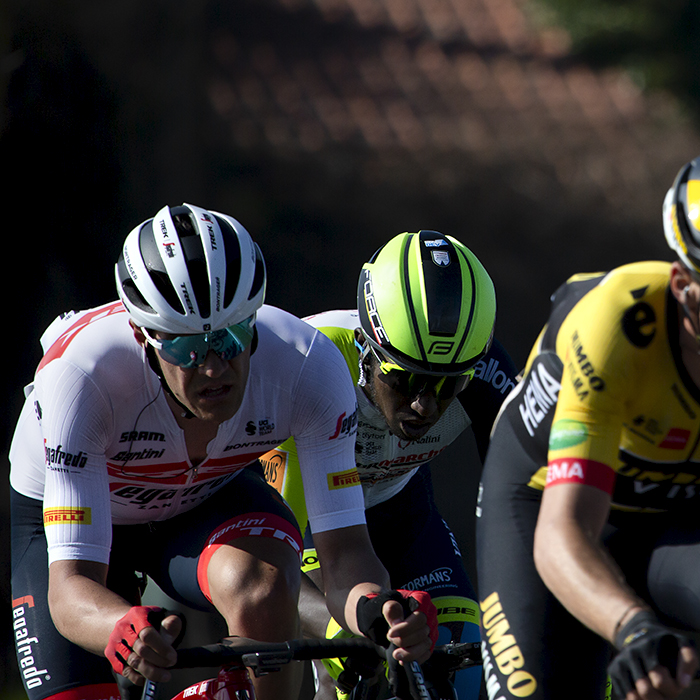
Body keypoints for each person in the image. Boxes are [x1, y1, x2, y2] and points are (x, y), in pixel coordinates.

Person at [9, 203, 438, 700]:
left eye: (233, 338)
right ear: (146, 339)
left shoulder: (307, 367)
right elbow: (70, 588)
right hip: (72, 525)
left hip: (203, 497)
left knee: (266, 586)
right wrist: (120, 628)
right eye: (187, 350)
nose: (215, 368)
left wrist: (376, 611)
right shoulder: (82, 378)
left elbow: (345, 555)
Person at [475, 157, 700, 700]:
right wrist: (635, 627)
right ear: (682, 285)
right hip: (545, 506)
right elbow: (563, 533)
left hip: (673, 518)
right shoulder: (617, 325)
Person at [261, 230, 518, 699]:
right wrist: (348, 635)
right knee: (358, 669)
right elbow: (274, 566)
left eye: (448, 386)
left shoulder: (485, 373)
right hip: (310, 522)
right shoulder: (309, 364)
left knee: (459, 670)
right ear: (366, 348)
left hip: (403, 509)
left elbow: (529, 510)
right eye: (404, 380)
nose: (425, 405)